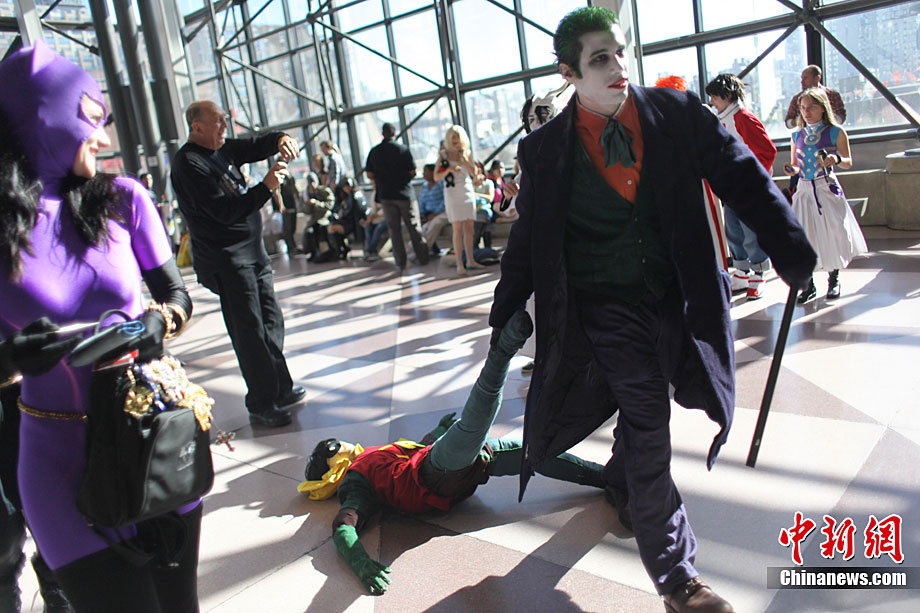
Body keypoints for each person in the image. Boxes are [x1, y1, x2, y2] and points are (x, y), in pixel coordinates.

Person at [488, 9, 816, 612]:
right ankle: (678, 579)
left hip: (677, 298)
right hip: (604, 309)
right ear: (568, 74)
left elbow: (742, 176)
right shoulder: (544, 151)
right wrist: (505, 310)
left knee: (649, 404)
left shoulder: (678, 113)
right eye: (599, 59)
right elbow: (529, 237)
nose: (618, 67)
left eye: (620, 52)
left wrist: (790, 247)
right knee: (648, 420)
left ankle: (623, 480)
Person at [0, 42, 199, 612]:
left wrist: (160, 321)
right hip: (56, 462)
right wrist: (11, 356)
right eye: (91, 118)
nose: (105, 138)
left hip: (152, 436)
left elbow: (177, 295)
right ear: (43, 119)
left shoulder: (124, 200)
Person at [300, 311, 607, 595]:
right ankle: (501, 353)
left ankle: (608, 478)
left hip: (445, 464)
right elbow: (344, 525)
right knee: (475, 422)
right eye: (332, 448)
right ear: (331, 469)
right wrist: (360, 563)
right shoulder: (354, 481)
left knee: (535, 454)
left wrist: (436, 432)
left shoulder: (369, 456)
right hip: (432, 477)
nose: (340, 444)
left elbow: (416, 449)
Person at [171, 100, 305, 428]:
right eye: (217, 121)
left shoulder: (223, 149)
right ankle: (261, 402)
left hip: (253, 253)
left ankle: (280, 388)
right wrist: (266, 187)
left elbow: (255, 144)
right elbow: (224, 212)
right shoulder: (189, 164)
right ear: (196, 127)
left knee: (271, 321)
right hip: (227, 260)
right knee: (250, 332)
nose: (224, 126)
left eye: (224, 120)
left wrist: (280, 139)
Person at [784, 87, 867, 304]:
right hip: (804, 189)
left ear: (823, 108)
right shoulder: (796, 135)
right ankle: (809, 285)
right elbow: (796, 164)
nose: (807, 112)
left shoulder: (836, 132)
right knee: (806, 236)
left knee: (834, 232)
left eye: (811, 107)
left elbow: (848, 162)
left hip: (826, 187)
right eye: (803, 108)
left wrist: (836, 159)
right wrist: (792, 170)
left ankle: (834, 279)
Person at [705, 74, 777, 300]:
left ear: (727, 95)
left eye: (714, 97)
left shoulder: (743, 118)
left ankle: (758, 273)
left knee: (751, 231)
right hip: (731, 185)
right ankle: (742, 271)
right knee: (733, 229)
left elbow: (767, 151)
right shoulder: (722, 120)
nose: (712, 102)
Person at [364, 123, 429, 268]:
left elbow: (369, 173)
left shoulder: (374, 152)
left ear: (382, 134)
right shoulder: (403, 149)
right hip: (404, 194)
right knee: (414, 227)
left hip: (386, 195)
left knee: (394, 230)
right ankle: (423, 258)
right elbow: (413, 171)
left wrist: (381, 180)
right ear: (394, 133)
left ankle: (400, 262)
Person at [435, 126, 485, 276]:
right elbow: (436, 176)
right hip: (452, 192)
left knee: (469, 226)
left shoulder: (466, 153)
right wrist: (449, 170)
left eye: (457, 137)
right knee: (457, 228)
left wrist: (464, 160)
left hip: (466, 190)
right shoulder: (443, 154)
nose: (455, 140)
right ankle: (459, 263)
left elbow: (474, 173)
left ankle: (470, 260)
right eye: (452, 137)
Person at [784, 65, 846, 129]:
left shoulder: (833, 95)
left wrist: (825, 117)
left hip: (830, 132)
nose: (802, 82)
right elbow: (788, 124)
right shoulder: (797, 99)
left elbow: (842, 117)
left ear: (817, 78)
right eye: (803, 107)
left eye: (805, 78)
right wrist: (801, 119)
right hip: (806, 134)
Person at [326, 177, 368, 260]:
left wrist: (343, 213)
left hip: (353, 222)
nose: (346, 188)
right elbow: (338, 208)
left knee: (332, 228)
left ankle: (340, 250)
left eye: (348, 185)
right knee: (330, 227)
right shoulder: (345, 197)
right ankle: (342, 249)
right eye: (344, 186)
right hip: (347, 220)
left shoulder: (355, 196)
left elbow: (351, 211)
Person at [418, 163, 448, 254]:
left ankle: (423, 251)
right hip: (429, 214)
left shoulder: (441, 183)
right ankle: (419, 249)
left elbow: (445, 199)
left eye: (426, 171)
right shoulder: (424, 186)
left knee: (435, 224)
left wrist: (436, 213)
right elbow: (422, 202)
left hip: (442, 213)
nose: (424, 174)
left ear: (433, 172)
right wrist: (422, 216)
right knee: (423, 228)